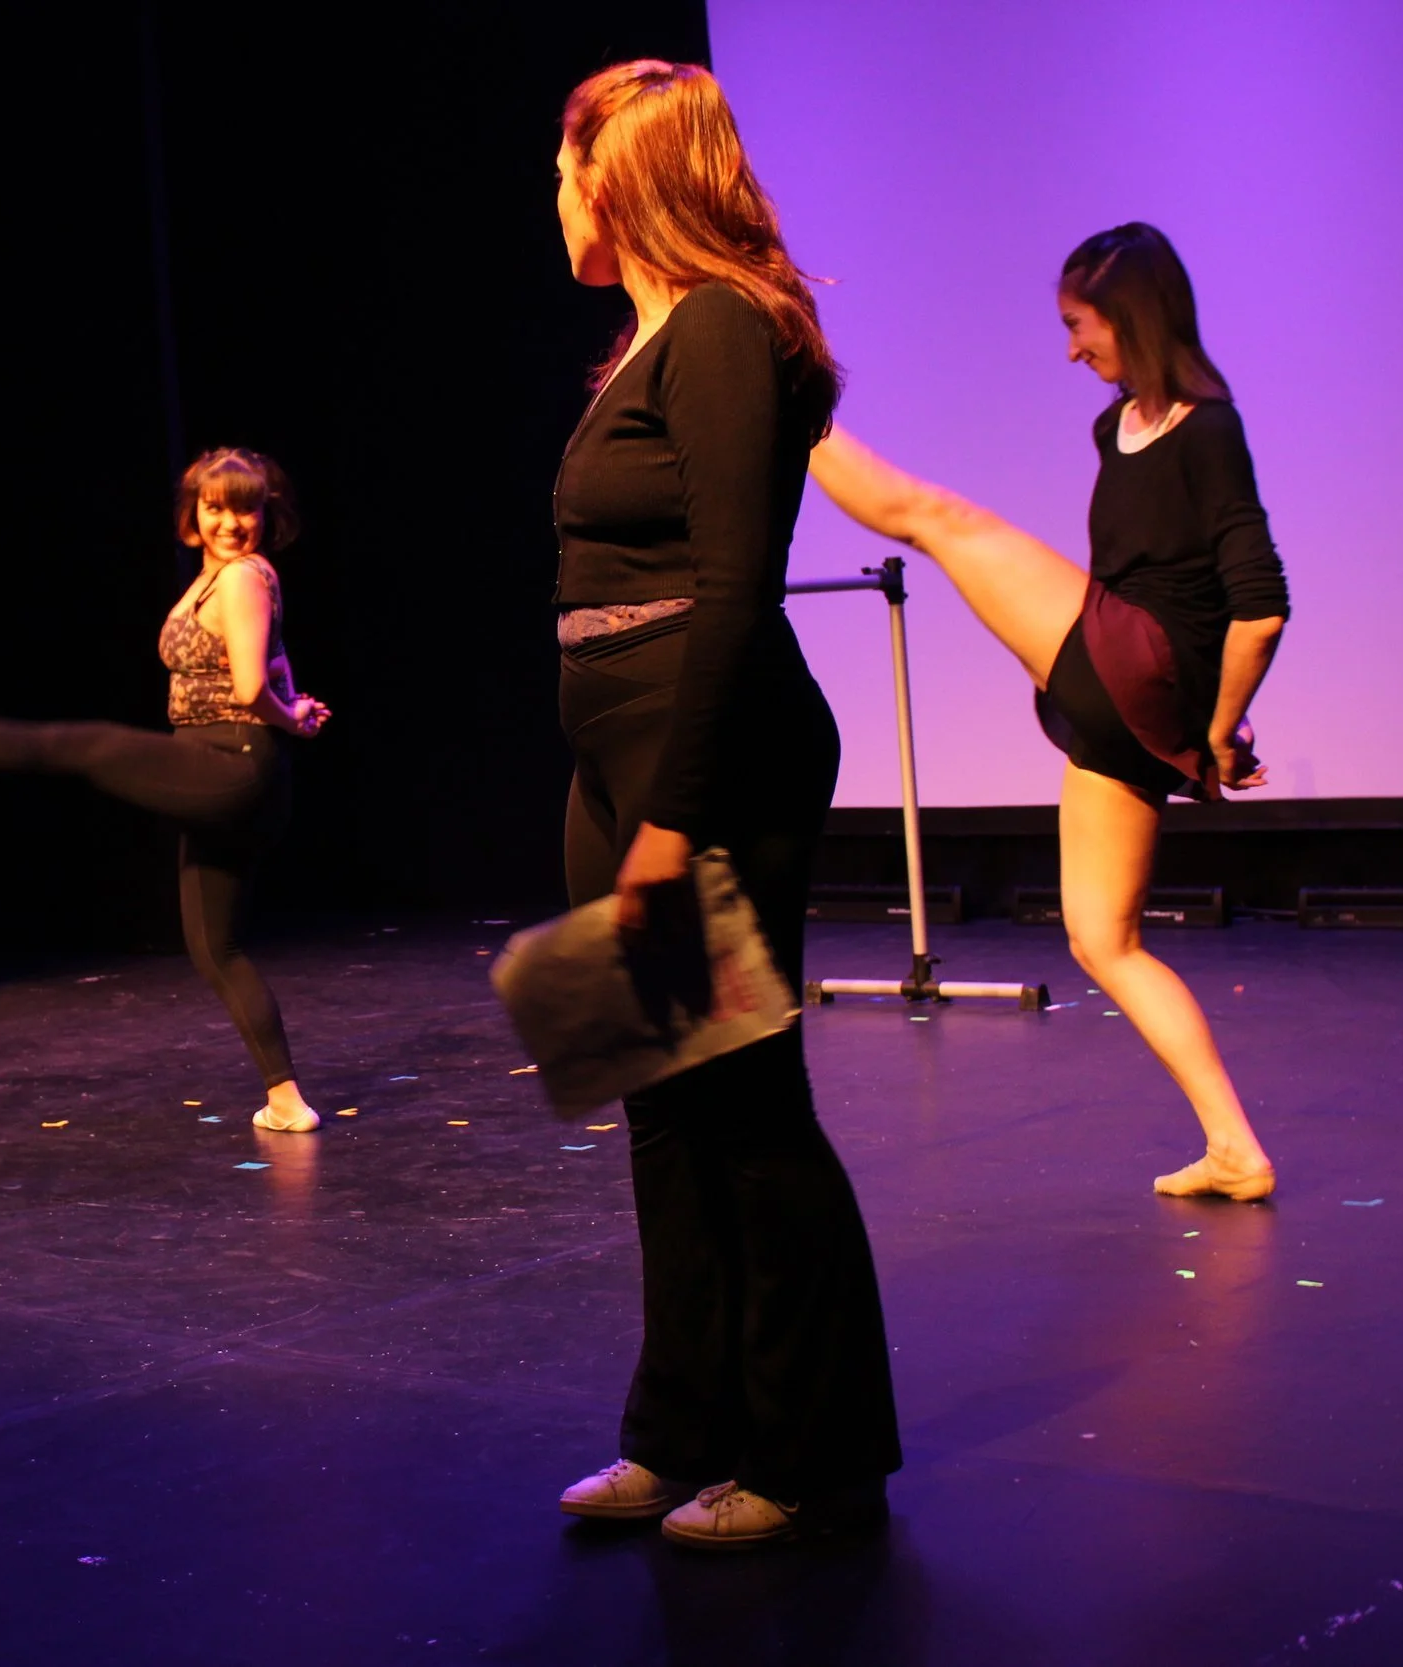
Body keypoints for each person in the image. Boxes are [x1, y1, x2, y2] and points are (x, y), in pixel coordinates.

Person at [545, 59, 902, 1550]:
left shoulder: (722, 335)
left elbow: (739, 589)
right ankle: (678, 1426)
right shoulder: (644, 346)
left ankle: (811, 1449)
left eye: (563, 167)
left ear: (621, 179)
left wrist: (674, 815)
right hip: (618, 748)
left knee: (748, 1107)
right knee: (660, 1097)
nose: (551, 197)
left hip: (712, 750)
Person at [809, 221, 1290, 1202]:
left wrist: (1214, 725)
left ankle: (787, 398)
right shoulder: (1115, 427)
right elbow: (1178, 589)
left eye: (1083, 326)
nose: (1072, 347)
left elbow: (1260, 605)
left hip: (1139, 665)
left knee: (932, 517)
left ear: (1135, 317)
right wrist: (1209, 734)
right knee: (1100, 938)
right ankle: (1234, 1146)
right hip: (1136, 695)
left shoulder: (1208, 427)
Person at [0, 447, 332, 1132]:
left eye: (245, 507)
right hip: (231, 768)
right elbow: (274, 660)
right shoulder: (220, 580)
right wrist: (293, 708)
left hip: (229, 763)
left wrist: (286, 713)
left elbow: (246, 687)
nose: (231, 522)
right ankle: (286, 1099)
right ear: (193, 515)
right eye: (216, 507)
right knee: (215, 947)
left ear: (267, 514)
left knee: (73, 745)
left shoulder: (240, 577)